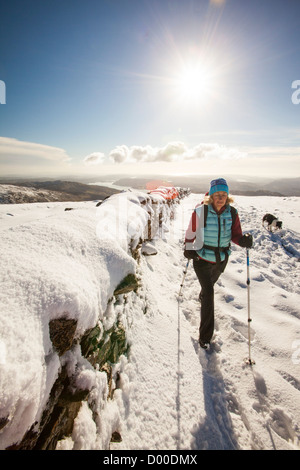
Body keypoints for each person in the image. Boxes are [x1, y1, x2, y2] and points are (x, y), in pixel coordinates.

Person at [184, 178, 253, 350]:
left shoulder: (233, 213)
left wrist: (243, 241)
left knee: (209, 287)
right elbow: (191, 231)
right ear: (211, 196)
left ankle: (203, 295)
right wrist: (188, 246)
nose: (221, 198)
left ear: (227, 196)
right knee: (209, 293)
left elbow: (236, 235)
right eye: (217, 194)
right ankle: (205, 337)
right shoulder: (201, 211)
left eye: (224, 194)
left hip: (221, 259)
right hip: (201, 258)